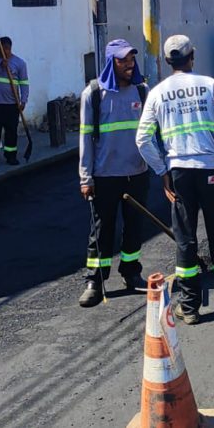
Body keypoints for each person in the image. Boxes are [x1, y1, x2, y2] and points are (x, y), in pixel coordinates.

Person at [135, 34, 214, 325]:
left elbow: (142, 139)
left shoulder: (157, 93)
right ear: (192, 57)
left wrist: (163, 171)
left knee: (185, 238)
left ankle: (189, 307)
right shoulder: (210, 85)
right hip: (211, 169)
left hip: (179, 173)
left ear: (166, 60)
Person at [77, 39, 150, 307]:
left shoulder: (142, 91)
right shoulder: (93, 94)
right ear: (110, 62)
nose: (129, 64)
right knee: (101, 230)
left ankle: (131, 273)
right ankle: (95, 281)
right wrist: (86, 178)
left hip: (137, 173)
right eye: (122, 60)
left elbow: (151, 133)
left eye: (131, 58)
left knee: (134, 227)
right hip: (105, 176)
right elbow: (85, 139)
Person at [0, 36, 29, 169]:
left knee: (11, 132)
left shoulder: (20, 63)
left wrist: (23, 100)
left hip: (11, 105)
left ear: (7, 49)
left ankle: (11, 156)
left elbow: (24, 84)